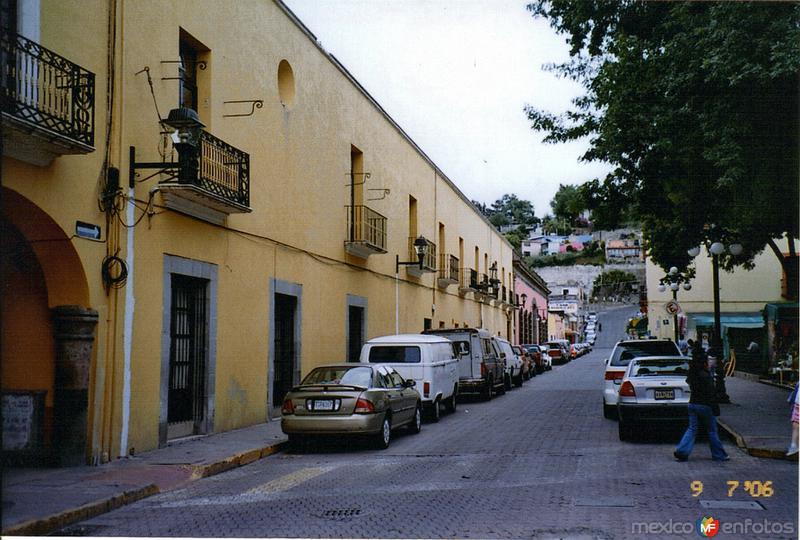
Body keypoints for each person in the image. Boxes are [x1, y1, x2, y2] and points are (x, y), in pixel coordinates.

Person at [674, 348, 729, 462]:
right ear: (704, 363)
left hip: (693, 403)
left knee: (692, 429)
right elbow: (711, 393)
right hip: (705, 405)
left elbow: (689, 383)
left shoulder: (693, 374)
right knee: (712, 430)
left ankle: (682, 451)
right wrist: (715, 408)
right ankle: (719, 455)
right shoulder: (706, 376)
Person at [788, 383, 799, 457]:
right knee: (796, 425)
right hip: (797, 405)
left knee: (796, 425)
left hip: (797, 405)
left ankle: (794, 445)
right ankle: (794, 445)